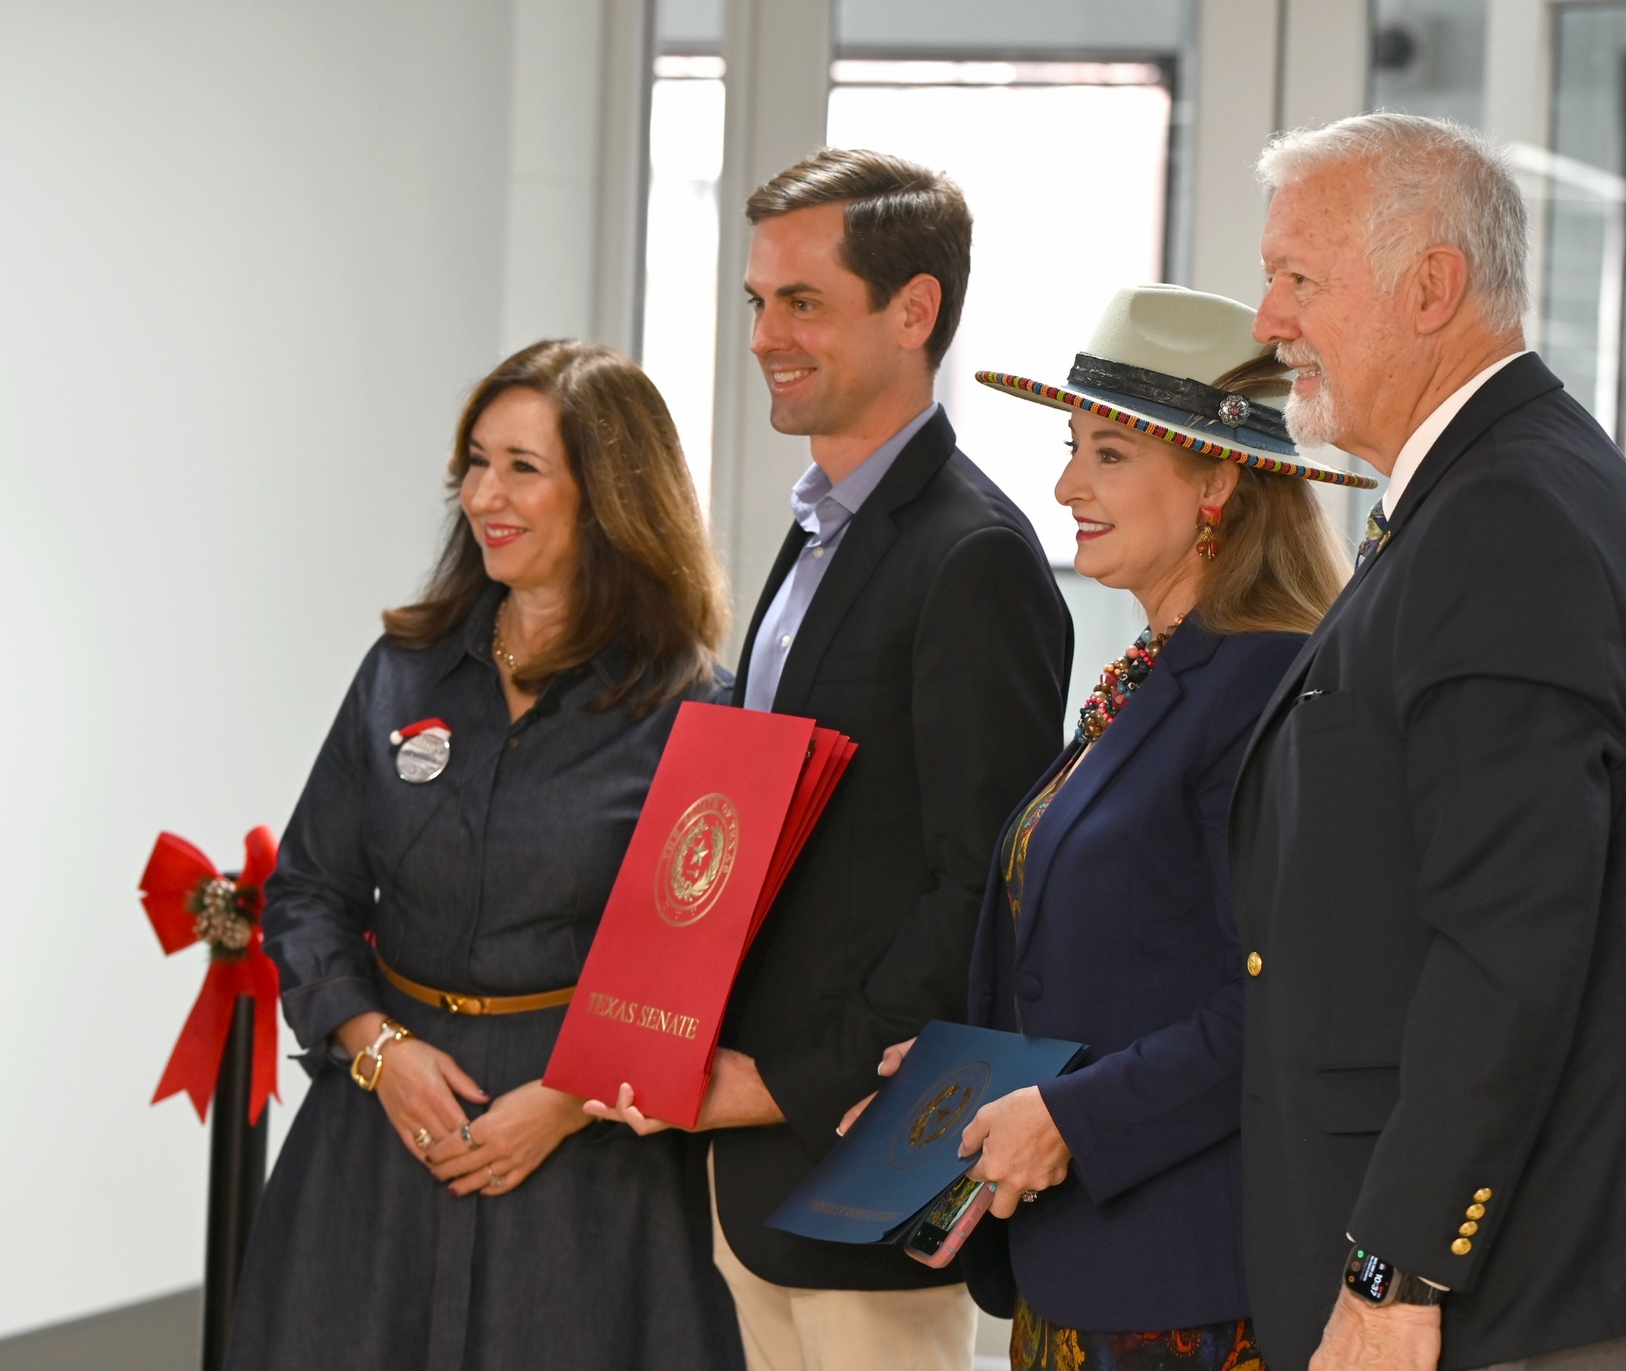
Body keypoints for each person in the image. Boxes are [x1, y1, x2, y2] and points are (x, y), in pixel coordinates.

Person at [1228, 113, 1626, 1371]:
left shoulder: (1507, 520)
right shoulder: (1486, 493)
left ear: (1431, 288)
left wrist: (1395, 1265)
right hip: (1529, 1260)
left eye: (1300, 279)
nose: (1267, 319)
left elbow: (1510, 940)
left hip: (1531, 1276)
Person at [591, 149, 1073, 1371]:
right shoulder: (814, 539)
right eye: (757, 302)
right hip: (748, 1157)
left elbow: (982, 887)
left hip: (855, 1151)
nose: (764, 335)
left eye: (802, 302)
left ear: (915, 312)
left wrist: (788, 1084)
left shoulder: (974, 559)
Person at [229, 341, 746, 1370]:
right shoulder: (403, 670)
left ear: (607, 497)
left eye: (522, 467)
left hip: (584, 1165)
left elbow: (701, 968)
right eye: (474, 462)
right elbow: (306, 893)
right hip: (377, 1141)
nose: (482, 495)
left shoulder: (694, 707)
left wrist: (560, 1107)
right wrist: (379, 1052)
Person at [953, 283, 1361, 1370]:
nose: (1066, 484)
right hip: (1083, 1265)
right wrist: (955, 1070)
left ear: (1220, 478)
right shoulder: (1157, 670)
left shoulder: (1264, 684)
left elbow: (1277, 1001)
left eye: (1111, 454)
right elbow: (1118, 957)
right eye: (1072, 446)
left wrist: (1072, 1120)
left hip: (1184, 1283)